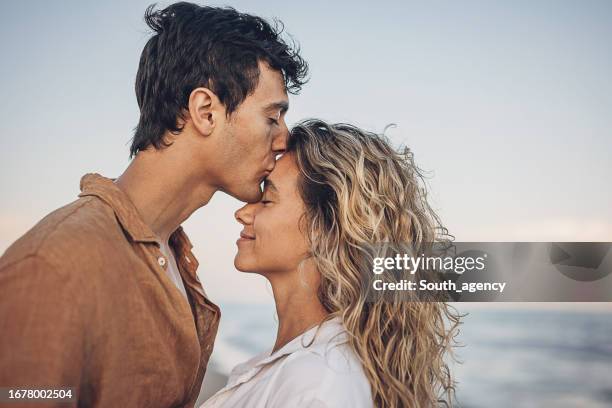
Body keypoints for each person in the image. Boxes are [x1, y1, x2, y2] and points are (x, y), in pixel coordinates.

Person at [0, 2, 307, 407]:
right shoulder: (54, 266)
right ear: (205, 112)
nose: (285, 138)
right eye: (273, 117)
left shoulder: (177, 259)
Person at [202, 120, 460, 408]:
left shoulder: (319, 385)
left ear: (323, 229)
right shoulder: (296, 367)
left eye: (267, 200)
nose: (243, 212)